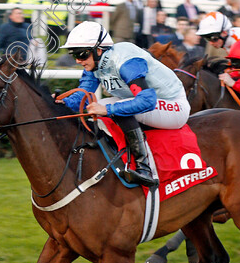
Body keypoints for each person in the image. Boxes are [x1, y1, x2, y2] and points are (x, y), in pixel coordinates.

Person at [59, 21, 189, 187]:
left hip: (174, 106)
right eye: (74, 55)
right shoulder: (96, 63)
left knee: (110, 107)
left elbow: (146, 100)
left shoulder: (126, 61)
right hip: (149, 103)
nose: (78, 60)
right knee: (97, 105)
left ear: (98, 50)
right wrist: (60, 103)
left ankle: (144, 168)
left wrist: (107, 109)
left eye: (82, 54)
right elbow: (82, 97)